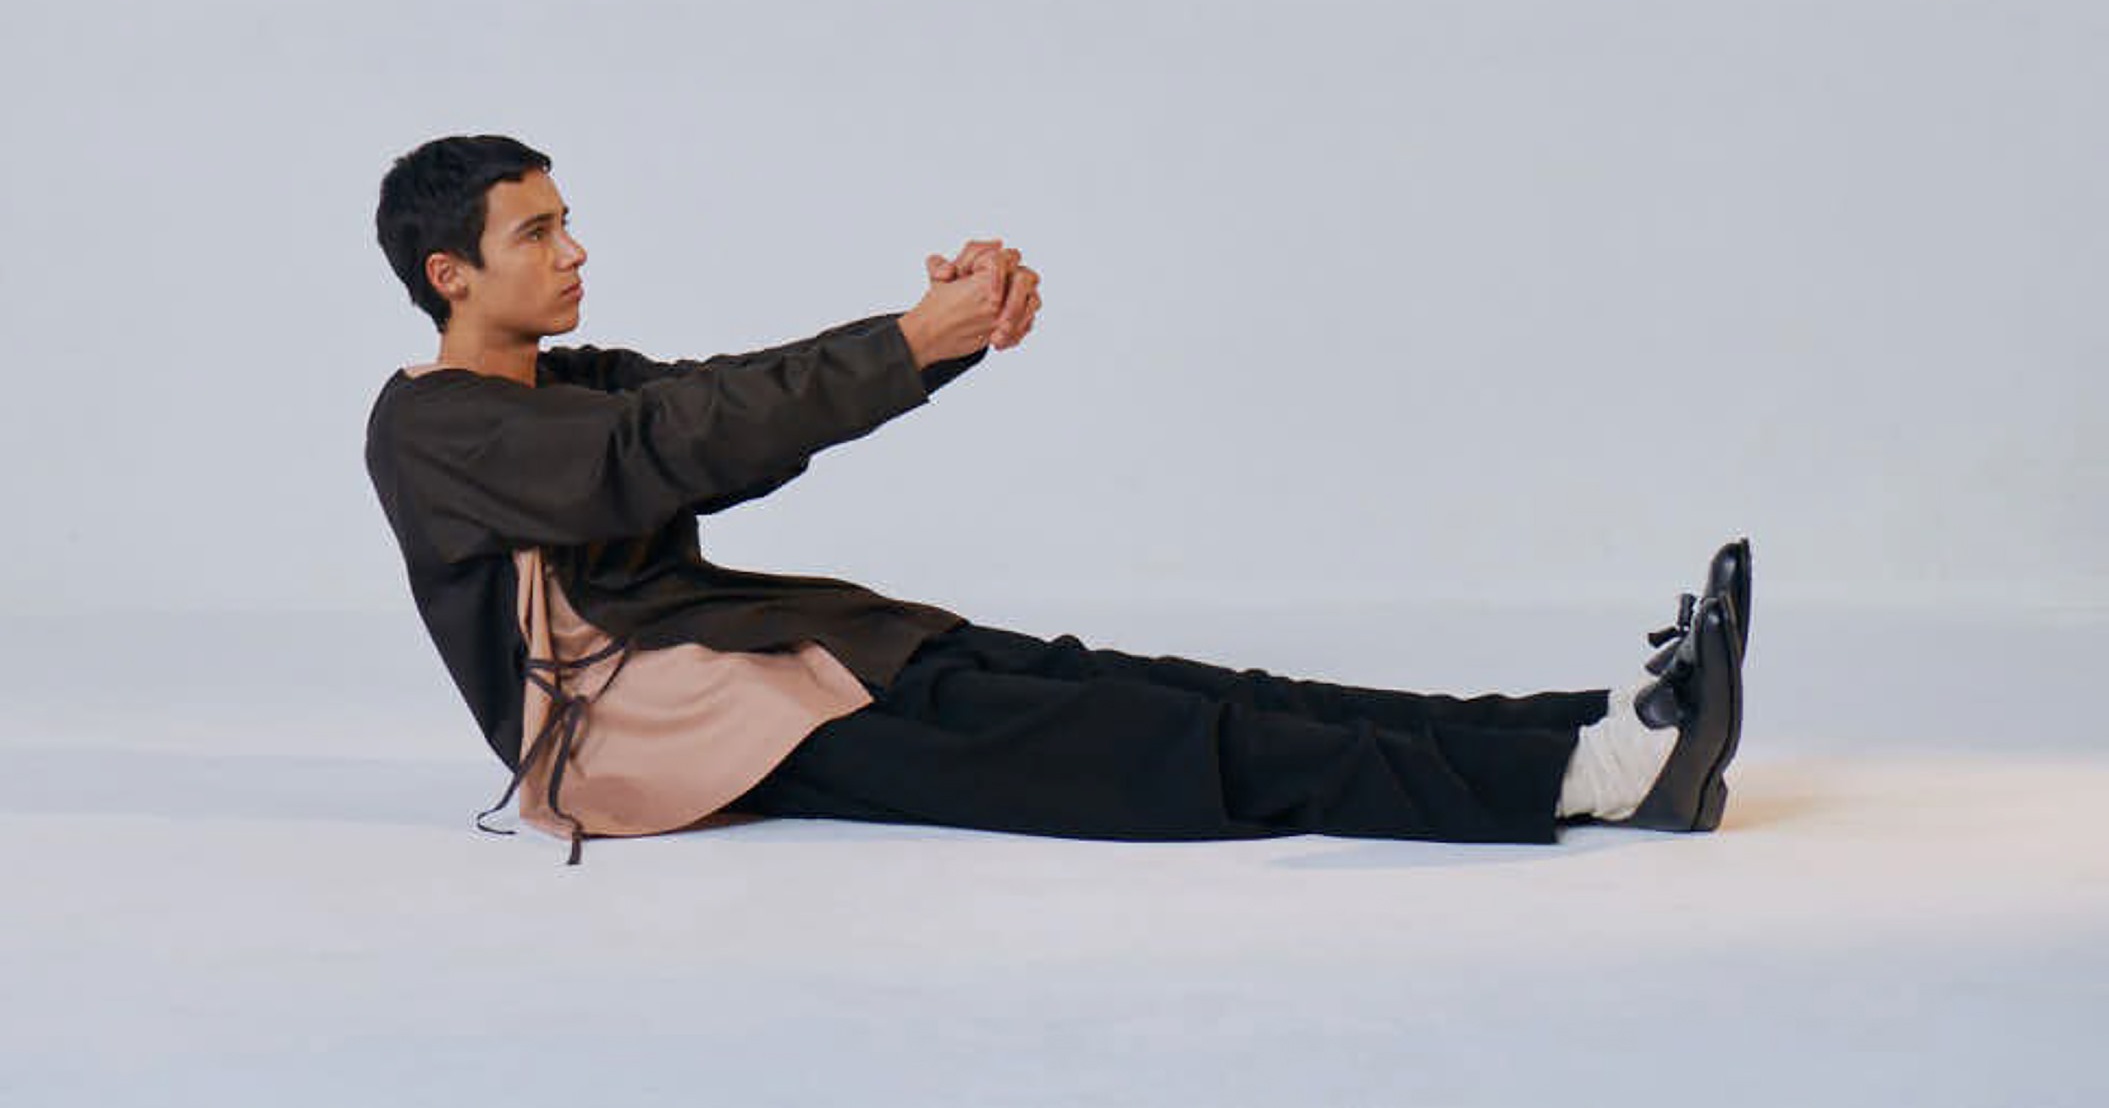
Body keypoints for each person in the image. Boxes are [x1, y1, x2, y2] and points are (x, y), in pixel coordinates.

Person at [365, 133, 1748, 865]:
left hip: (772, 665)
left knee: (1182, 689)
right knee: (1159, 749)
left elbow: (734, 415)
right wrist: (907, 341)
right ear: (450, 275)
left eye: (566, 219)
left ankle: (1594, 725)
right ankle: (1592, 785)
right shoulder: (435, 428)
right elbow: (663, 447)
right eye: (536, 231)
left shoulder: (570, 381)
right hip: (664, 737)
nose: (574, 249)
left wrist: (939, 336)